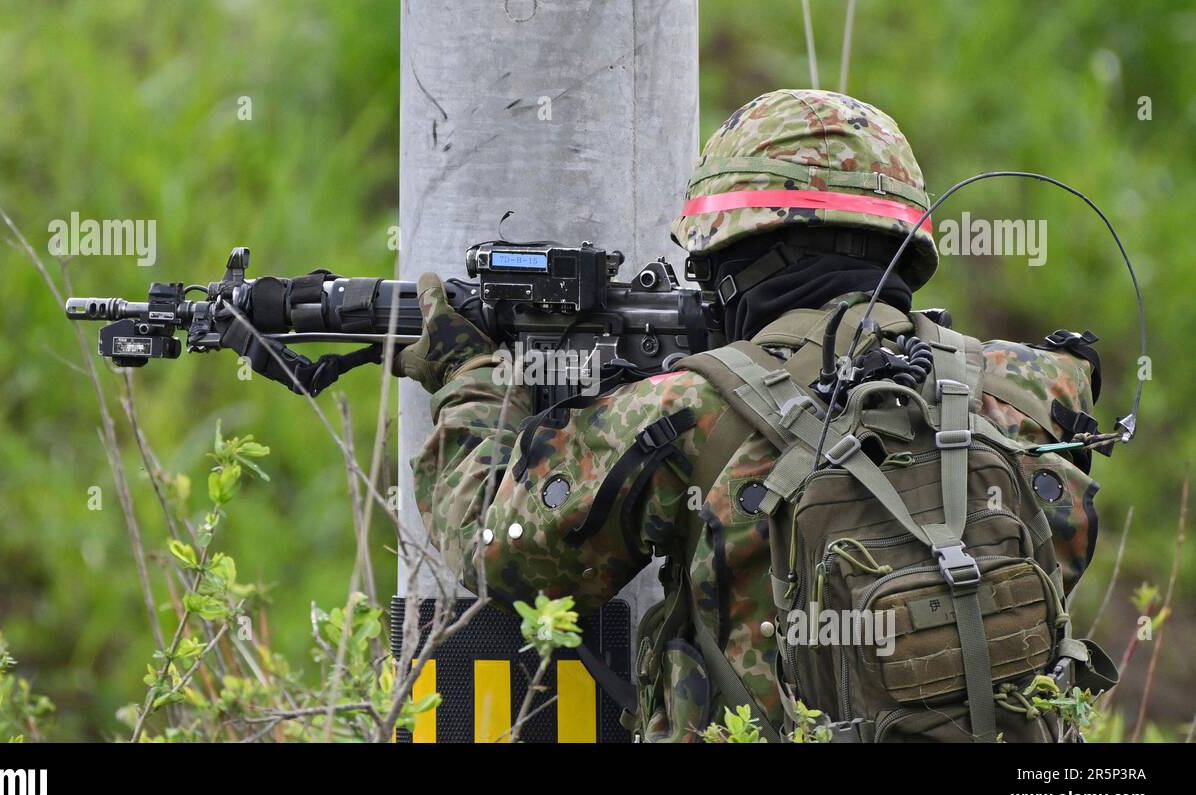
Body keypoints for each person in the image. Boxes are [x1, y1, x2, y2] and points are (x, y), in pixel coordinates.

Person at [394, 89, 1108, 742]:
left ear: (739, 252)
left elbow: (490, 549)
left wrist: (473, 374)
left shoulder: (685, 412)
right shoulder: (1034, 393)